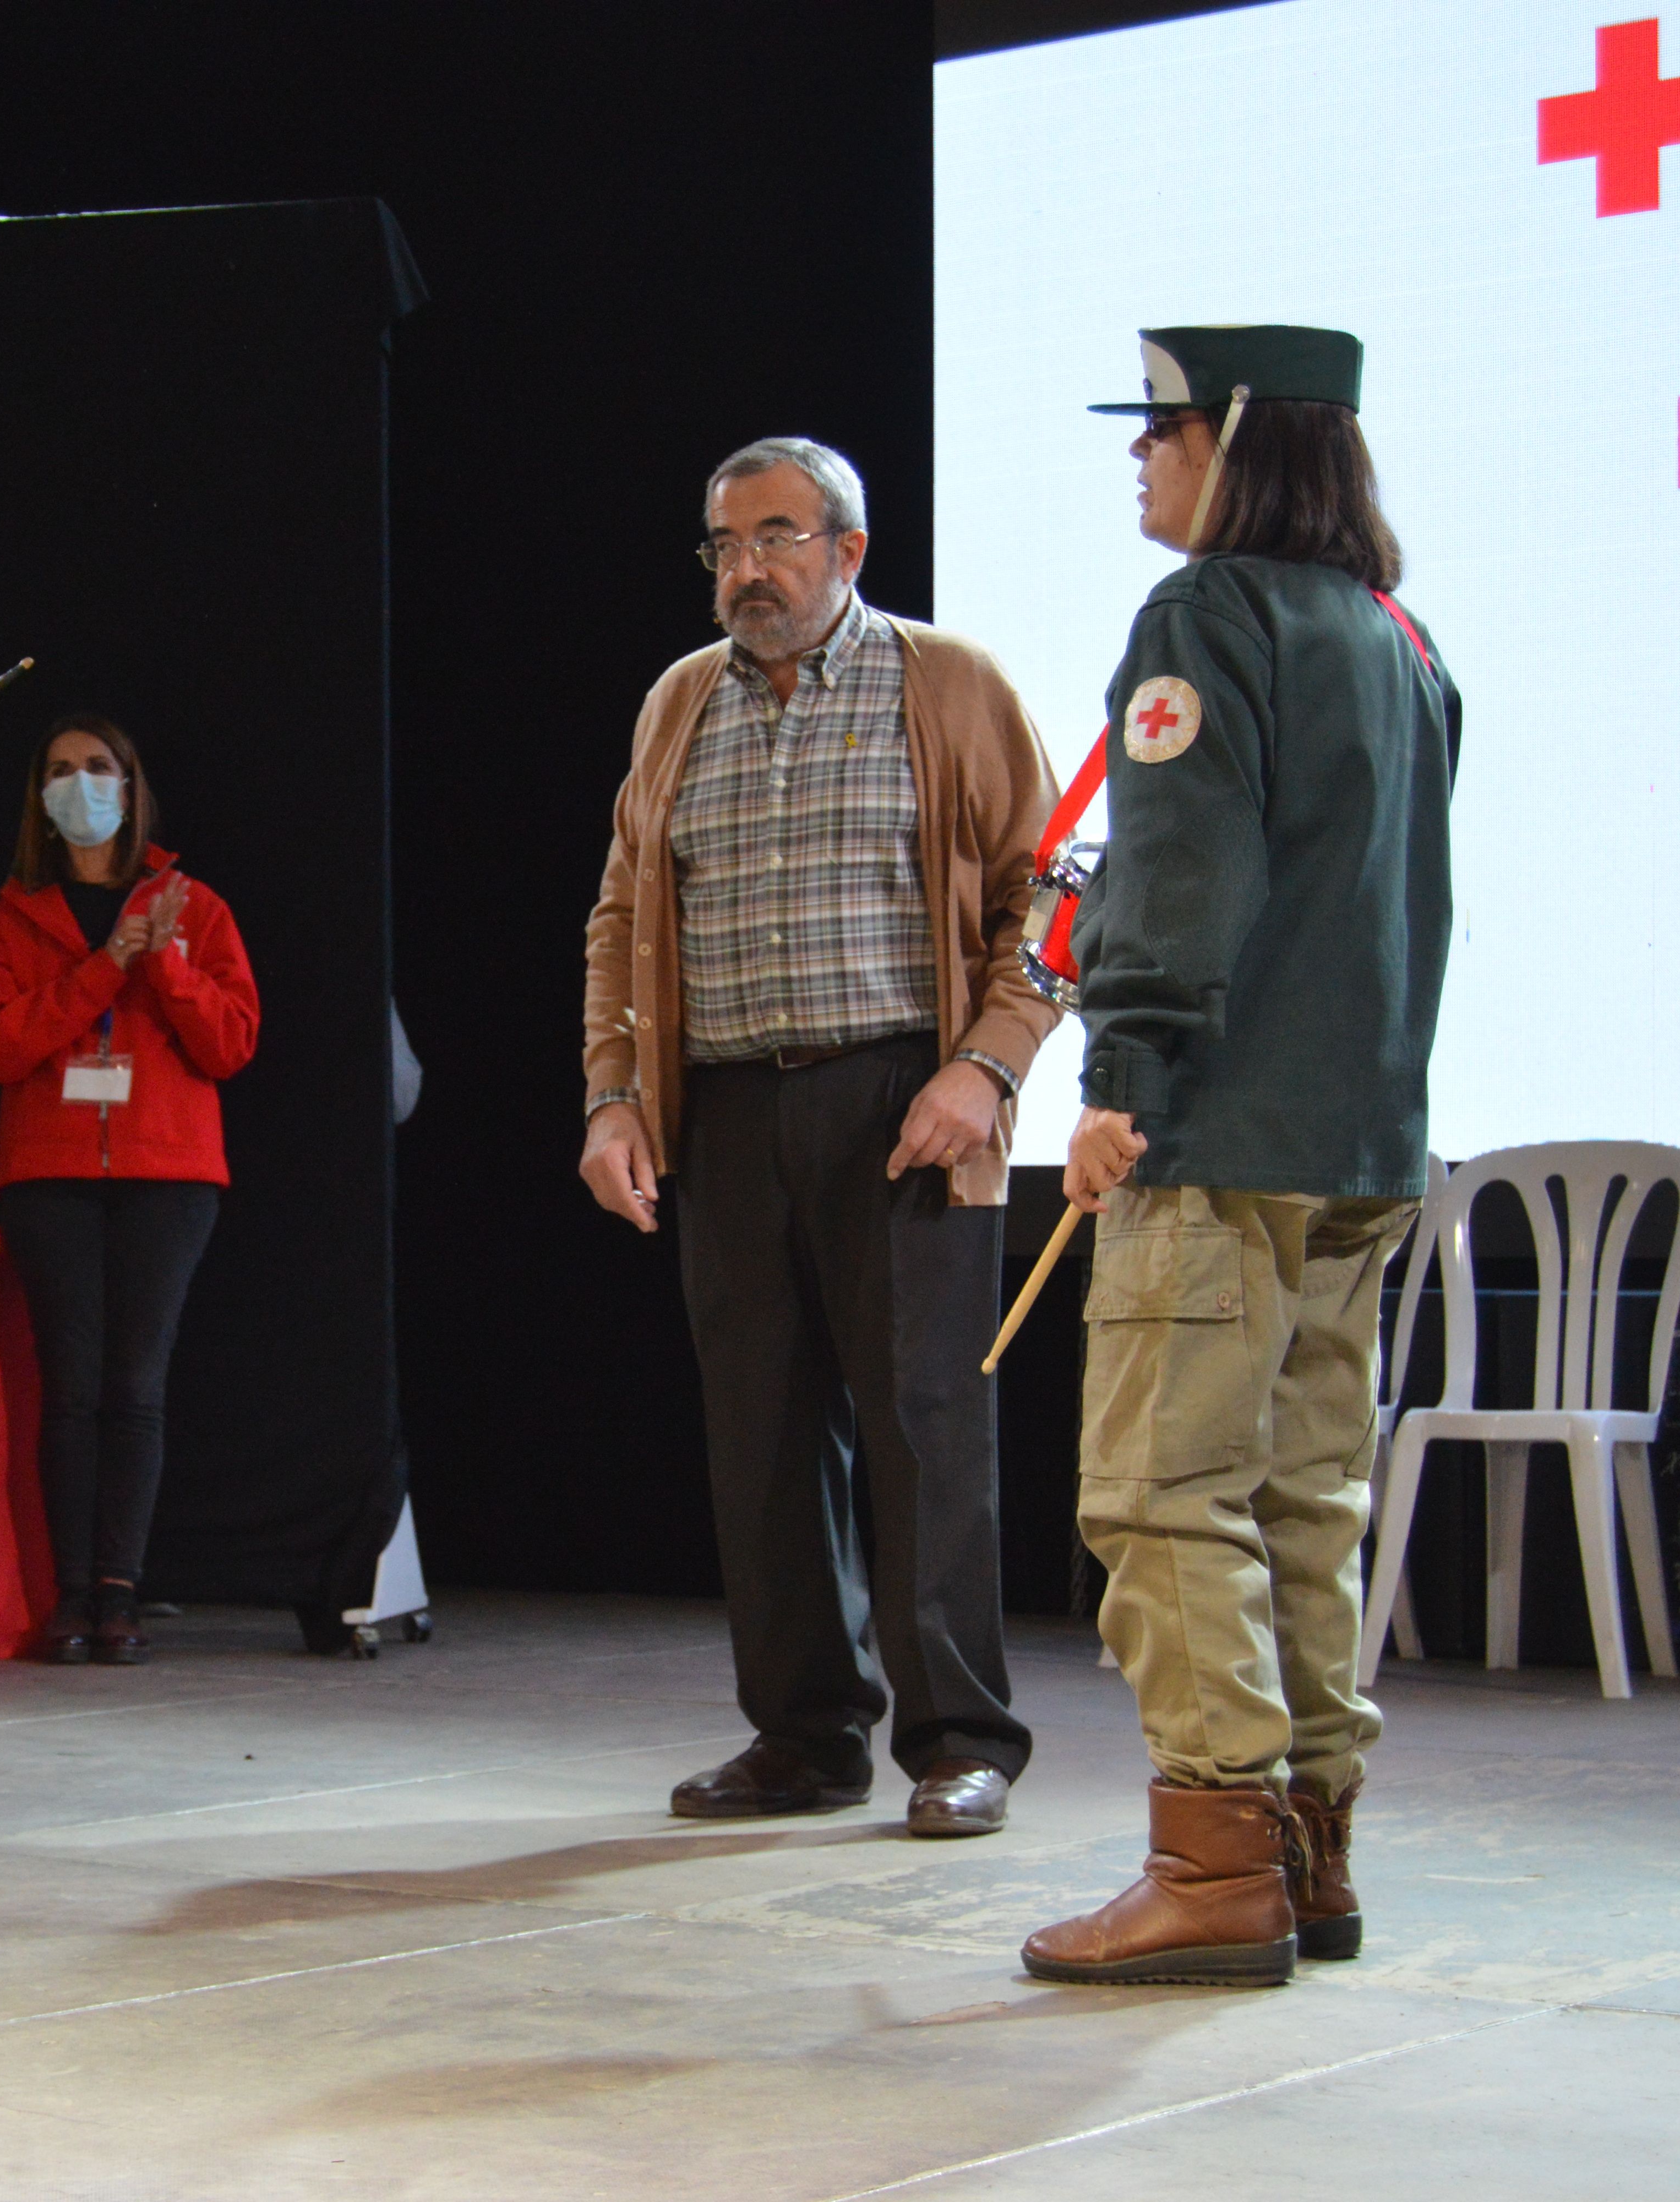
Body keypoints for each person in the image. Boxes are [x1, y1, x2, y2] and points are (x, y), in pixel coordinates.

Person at [1019, 326, 1459, 1988]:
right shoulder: (1402, 640)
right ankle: (1308, 1849)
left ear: (1244, 443)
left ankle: (1212, 1870)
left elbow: (1177, 867)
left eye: (1163, 428)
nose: (1141, 456)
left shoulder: (1206, 618)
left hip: (1212, 1136)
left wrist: (1117, 1071)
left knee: (1159, 1494)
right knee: (1299, 1500)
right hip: (1359, 1146)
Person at [579, 438, 1059, 1837]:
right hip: (724, 1107)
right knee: (762, 1435)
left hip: (903, 1099)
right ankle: (802, 1734)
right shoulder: (679, 702)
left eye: (777, 537)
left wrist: (987, 1066)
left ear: (849, 551)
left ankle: (959, 1738)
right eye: (724, 545)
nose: (747, 569)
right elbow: (619, 917)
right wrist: (614, 1094)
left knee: (922, 1426)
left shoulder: (946, 683)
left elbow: (1052, 894)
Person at [0, 715, 258, 1666]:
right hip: (49, 1175)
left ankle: (120, 1594)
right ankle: (71, 1597)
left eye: (96, 769)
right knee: (71, 1390)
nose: (77, 784)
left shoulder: (193, 907)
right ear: (38, 797)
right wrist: (108, 963)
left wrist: (160, 959)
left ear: (130, 789)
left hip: (168, 1175)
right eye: (59, 771)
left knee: (135, 1388)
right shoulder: (10, 919)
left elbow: (230, 1043)